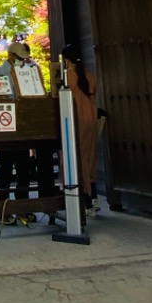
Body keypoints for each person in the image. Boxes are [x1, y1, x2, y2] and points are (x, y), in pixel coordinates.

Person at [0, 41, 36, 225]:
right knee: (6, 169)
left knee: (24, 169)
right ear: (11, 56)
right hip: (6, 126)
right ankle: (2, 210)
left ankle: (22, 208)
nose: (23, 61)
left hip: (22, 125)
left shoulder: (27, 70)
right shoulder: (1, 73)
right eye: (20, 58)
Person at [62, 43, 100, 215]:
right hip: (91, 118)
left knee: (79, 159)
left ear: (66, 59)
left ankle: (87, 202)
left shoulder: (69, 75)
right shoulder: (88, 74)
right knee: (90, 157)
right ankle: (94, 197)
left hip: (77, 119)